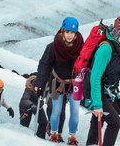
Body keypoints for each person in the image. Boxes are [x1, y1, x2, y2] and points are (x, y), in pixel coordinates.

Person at [86, 15, 120, 146]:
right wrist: (97, 104)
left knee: (97, 121)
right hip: (94, 87)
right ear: (118, 33)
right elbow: (95, 77)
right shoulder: (106, 48)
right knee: (115, 122)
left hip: (109, 89)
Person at [35, 17, 84, 145]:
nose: (69, 35)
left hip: (75, 84)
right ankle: (54, 134)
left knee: (75, 112)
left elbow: (86, 66)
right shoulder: (53, 47)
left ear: (76, 33)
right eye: (67, 32)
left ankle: (72, 137)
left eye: (72, 33)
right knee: (56, 111)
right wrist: (40, 85)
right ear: (62, 31)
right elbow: (46, 65)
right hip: (58, 83)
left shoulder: (81, 48)